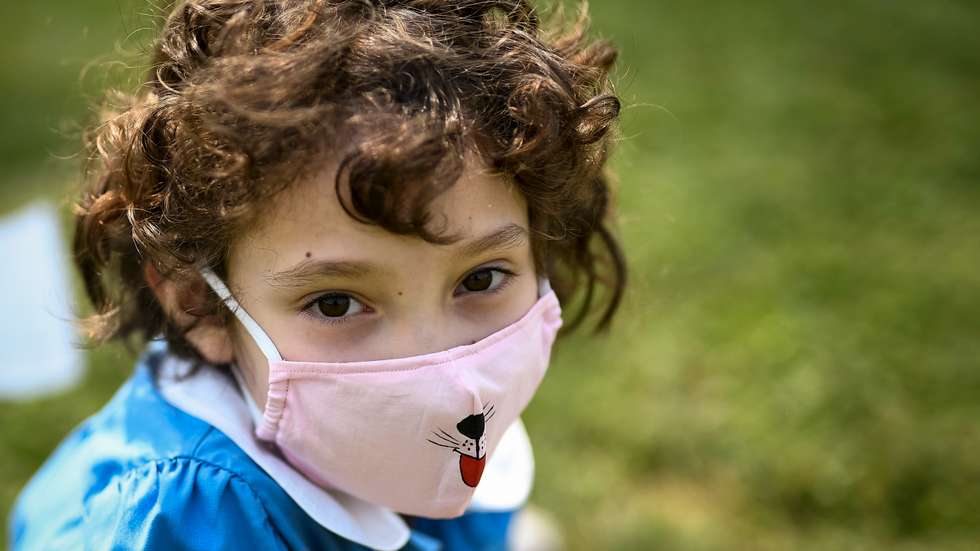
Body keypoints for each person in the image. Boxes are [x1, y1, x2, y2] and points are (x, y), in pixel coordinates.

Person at [9, 0, 627, 548]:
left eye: (481, 279)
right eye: (335, 303)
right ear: (199, 301)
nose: (443, 368)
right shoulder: (178, 528)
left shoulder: (389, 441)